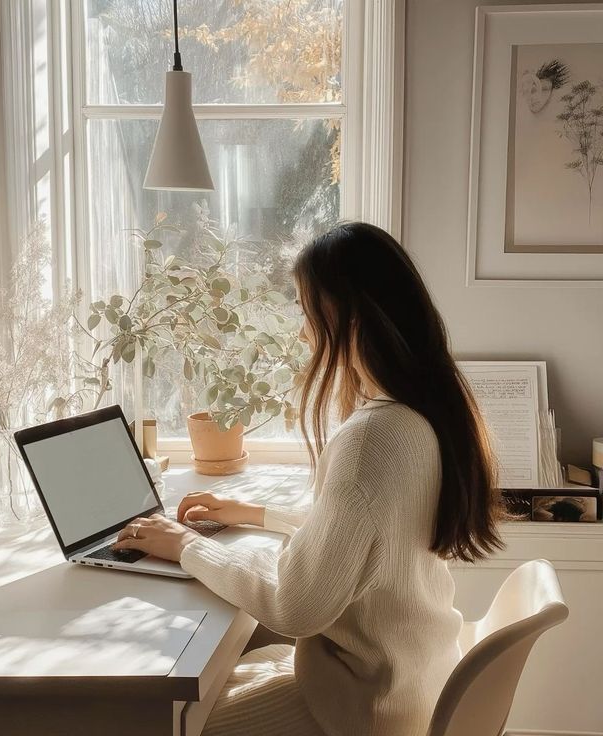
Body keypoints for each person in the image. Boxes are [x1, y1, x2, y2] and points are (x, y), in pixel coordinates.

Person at [113, 222, 504, 736]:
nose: (302, 331)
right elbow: (366, 530)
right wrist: (256, 515)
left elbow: (295, 608)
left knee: (155, 721)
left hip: (360, 710)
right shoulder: (420, 417)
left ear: (347, 315)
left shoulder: (372, 438)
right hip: (408, 685)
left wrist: (187, 546)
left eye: (305, 310)